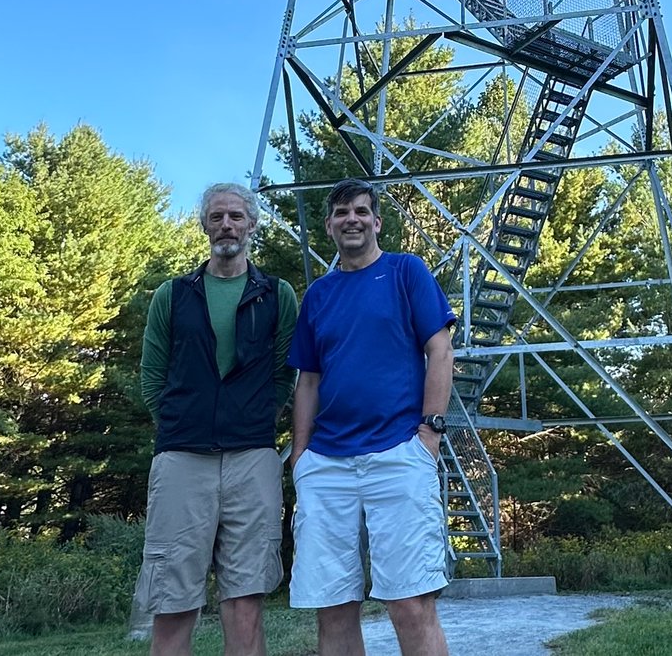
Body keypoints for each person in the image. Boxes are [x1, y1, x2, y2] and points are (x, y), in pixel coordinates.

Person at [288, 177, 455, 656]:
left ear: (377, 221)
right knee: (334, 607)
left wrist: (431, 432)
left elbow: (439, 349)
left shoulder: (406, 272)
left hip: (398, 454)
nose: (352, 219)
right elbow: (309, 381)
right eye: (342, 213)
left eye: (361, 211)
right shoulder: (318, 294)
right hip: (327, 465)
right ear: (329, 226)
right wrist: (300, 455)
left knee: (410, 603)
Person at [133, 182, 297, 656]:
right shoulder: (173, 294)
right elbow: (151, 374)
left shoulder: (277, 295)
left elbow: (286, 373)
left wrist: (259, 416)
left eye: (237, 216)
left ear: (253, 225)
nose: (227, 225)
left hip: (252, 458)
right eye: (218, 216)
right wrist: (177, 422)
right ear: (204, 224)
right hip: (182, 458)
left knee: (245, 599)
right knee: (172, 598)